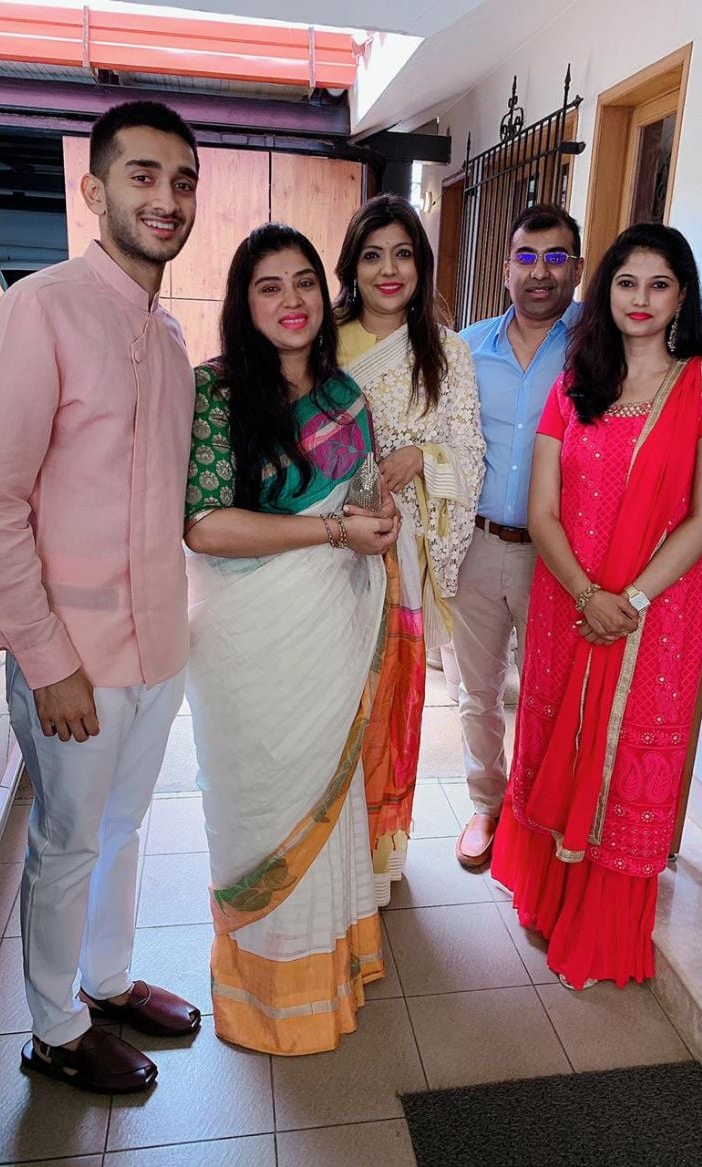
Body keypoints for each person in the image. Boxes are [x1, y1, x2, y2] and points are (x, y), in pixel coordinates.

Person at [452, 203, 702, 871]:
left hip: (564, 557)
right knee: (480, 692)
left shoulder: (595, 344)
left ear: (577, 268)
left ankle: (578, 840)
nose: (540, 273)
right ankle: (490, 807)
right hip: (483, 544)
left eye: (556, 257)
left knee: (573, 704)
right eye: (526, 257)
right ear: (506, 266)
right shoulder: (465, 348)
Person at [0, 101, 203, 1094]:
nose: (166, 198)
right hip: (73, 658)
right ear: (95, 189)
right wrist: (46, 659)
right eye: (143, 176)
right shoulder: (43, 308)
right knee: (63, 844)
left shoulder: (174, 336)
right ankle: (54, 1029)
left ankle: (104, 981)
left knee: (123, 827)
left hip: (157, 652)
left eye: (182, 181)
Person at [491, 222, 702, 988]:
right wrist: (586, 593)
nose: (640, 299)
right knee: (560, 738)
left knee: (625, 757)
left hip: (655, 613)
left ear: (681, 296)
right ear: (604, 293)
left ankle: (597, 929)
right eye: (626, 283)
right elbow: (542, 508)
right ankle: (548, 898)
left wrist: (626, 597)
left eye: (658, 284)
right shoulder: (575, 380)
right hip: (569, 599)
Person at [184, 223, 400, 1055]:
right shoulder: (216, 393)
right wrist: (333, 535)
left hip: (330, 626)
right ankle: (264, 993)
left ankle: (329, 972)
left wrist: (373, 520)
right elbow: (202, 527)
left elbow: (366, 496)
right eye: (268, 285)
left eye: (304, 280)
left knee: (328, 790)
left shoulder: (345, 394)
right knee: (261, 796)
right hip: (249, 639)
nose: (291, 300)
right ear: (244, 301)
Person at [334, 194, 485, 902]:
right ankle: (325, 854)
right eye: (372, 254)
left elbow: (468, 450)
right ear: (351, 267)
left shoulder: (445, 350)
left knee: (390, 702)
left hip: (403, 552)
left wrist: (423, 455)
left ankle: (378, 854)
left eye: (402, 254)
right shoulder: (322, 341)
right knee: (331, 701)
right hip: (323, 552)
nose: (387, 269)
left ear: (421, 266)